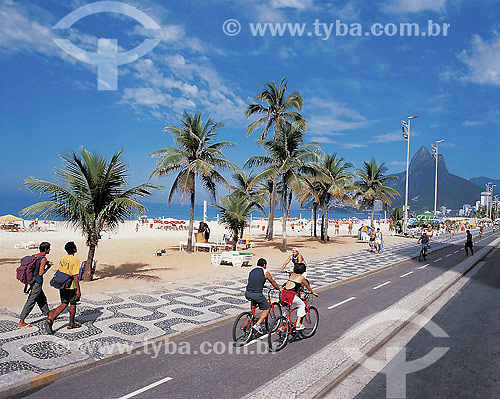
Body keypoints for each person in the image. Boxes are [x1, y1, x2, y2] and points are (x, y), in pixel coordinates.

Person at [45, 241, 82, 334]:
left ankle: (51, 320)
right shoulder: (75, 260)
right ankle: (71, 323)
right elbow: (75, 276)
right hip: (71, 285)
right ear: (74, 249)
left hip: (62, 284)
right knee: (72, 304)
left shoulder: (63, 258)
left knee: (64, 304)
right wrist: (78, 289)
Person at [18, 242, 53, 327]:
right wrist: (48, 267)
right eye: (49, 248)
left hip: (32, 280)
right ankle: (22, 321)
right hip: (37, 282)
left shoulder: (34, 256)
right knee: (32, 300)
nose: (49, 250)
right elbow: (40, 273)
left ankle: (49, 313)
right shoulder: (43, 259)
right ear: (46, 249)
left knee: (41, 298)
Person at [245, 258, 281, 334]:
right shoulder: (265, 272)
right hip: (257, 294)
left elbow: (253, 281)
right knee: (267, 308)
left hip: (247, 293)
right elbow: (272, 281)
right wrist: (278, 288)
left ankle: (252, 314)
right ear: (264, 265)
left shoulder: (252, 270)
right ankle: (257, 325)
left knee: (253, 300)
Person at [281, 263, 318, 330]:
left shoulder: (292, 275)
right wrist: (313, 292)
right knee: (302, 305)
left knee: (288, 308)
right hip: (291, 295)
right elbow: (307, 286)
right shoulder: (301, 278)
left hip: (284, 294)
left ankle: (282, 321)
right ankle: (298, 323)